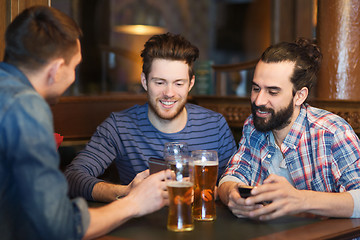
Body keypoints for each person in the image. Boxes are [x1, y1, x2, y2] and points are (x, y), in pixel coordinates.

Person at [0, 6, 169, 240]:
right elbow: (58, 227)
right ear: (57, 69)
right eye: (74, 67)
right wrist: (134, 203)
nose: (75, 77)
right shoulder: (26, 107)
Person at [64, 32, 237, 202]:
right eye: (160, 82)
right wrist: (127, 192)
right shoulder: (119, 126)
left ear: (191, 84)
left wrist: (213, 191)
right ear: (145, 81)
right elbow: (73, 177)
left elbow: (235, 181)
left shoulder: (216, 126)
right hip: (140, 227)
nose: (169, 93)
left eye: (178, 83)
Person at [218, 38, 360, 220]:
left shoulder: (332, 132)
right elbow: (233, 175)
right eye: (255, 88)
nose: (259, 100)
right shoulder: (254, 126)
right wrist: (232, 195)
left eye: (273, 92)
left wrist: (301, 199)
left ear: (299, 96)